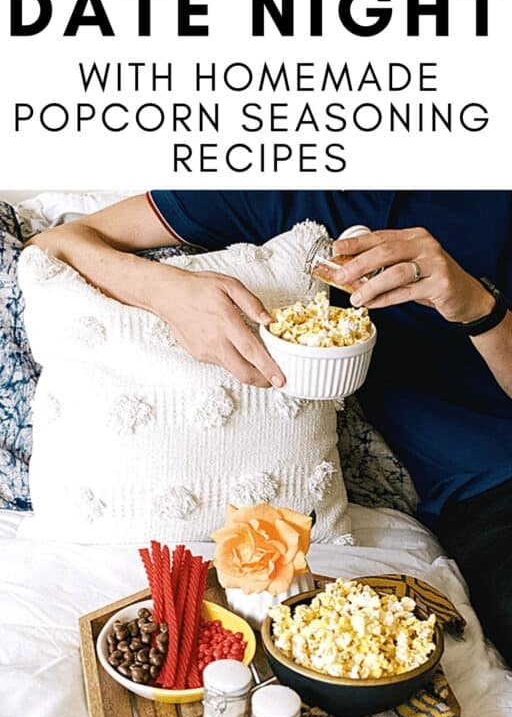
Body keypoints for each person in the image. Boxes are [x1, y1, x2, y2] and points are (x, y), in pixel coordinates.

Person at [29, 190, 512, 664]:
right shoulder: (269, 190)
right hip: (487, 494)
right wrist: (166, 290)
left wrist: (478, 307)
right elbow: (55, 243)